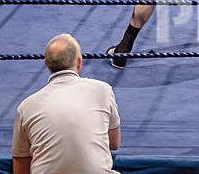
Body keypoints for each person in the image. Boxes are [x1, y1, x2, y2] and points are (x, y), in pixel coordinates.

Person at [12, 34, 120, 174]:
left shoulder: (26, 106)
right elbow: (114, 143)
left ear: (46, 63)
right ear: (79, 62)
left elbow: (20, 163)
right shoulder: (103, 90)